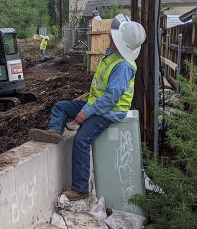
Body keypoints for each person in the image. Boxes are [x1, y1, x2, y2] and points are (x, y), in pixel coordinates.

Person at [28, 14, 146, 201]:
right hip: (96, 103)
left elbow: (111, 98)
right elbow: (103, 88)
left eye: (112, 36)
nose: (109, 36)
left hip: (109, 112)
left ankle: (80, 189)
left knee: (82, 141)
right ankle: (54, 132)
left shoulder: (123, 65)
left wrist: (86, 112)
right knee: (61, 107)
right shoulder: (113, 56)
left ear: (119, 41)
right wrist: (88, 96)